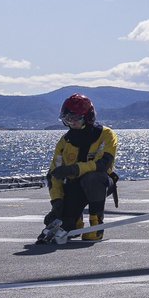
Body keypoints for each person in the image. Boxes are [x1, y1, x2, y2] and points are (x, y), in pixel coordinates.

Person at [37, 93, 118, 243]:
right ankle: (75, 223)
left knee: (93, 178)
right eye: (68, 119)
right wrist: (57, 202)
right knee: (60, 221)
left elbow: (103, 164)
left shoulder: (106, 134)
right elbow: (54, 174)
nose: (71, 122)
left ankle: (96, 224)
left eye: (75, 118)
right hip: (74, 186)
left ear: (88, 117)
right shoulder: (65, 141)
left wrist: (75, 169)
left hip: (99, 182)